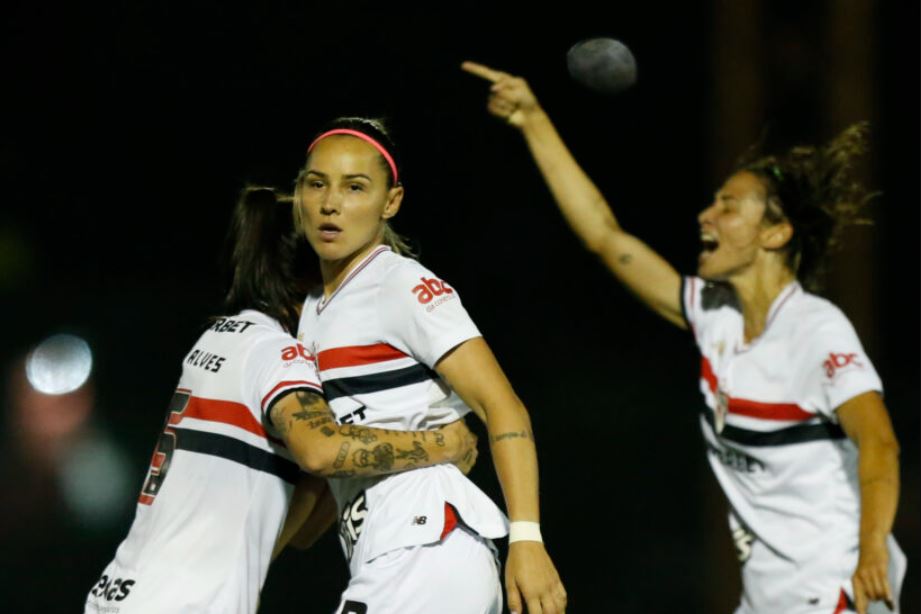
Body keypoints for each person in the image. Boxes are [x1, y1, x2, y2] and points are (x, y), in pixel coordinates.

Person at [461, 61, 905, 614]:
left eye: (729, 205)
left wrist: (869, 555)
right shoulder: (715, 315)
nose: (706, 215)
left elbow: (880, 443)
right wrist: (534, 121)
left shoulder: (815, 329)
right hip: (770, 593)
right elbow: (605, 236)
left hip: (835, 584)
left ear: (776, 232)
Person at [84, 186, 478, 614]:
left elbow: (302, 527)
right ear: (313, 280)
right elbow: (321, 450)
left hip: (125, 591)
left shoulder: (218, 340)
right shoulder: (277, 354)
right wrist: (443, 445)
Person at [292, 117, 567, 614]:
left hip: (427, 548)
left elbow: (504, 407)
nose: (330, 203)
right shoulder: (314, 308)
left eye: (356, 187)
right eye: (317, 184)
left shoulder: (400, 284)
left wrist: (527, 539)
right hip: (389, 555)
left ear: (391, 202)